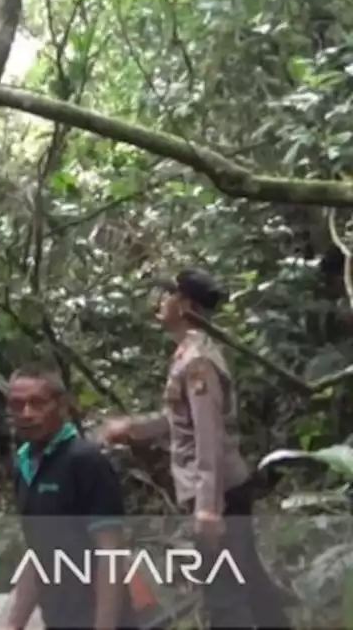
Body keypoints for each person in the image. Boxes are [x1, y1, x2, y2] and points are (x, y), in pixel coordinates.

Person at [98, 269, 291, 630]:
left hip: (220, 495)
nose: (161, 301)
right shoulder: (188, 354)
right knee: (248, 578)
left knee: (223, 595)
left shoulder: (198, 361)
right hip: (222, 492)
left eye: (168, 295)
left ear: (185, 305)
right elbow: (182, 420)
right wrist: (133, 429)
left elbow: (208, 436)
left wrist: (207, 509)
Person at [5, 365, 133, 630]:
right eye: (17, 405)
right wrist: (12, 624)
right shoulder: (24, 465)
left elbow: (110, 553)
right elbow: (37, 554)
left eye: (37, 403)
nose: (26, 413)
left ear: (61, 406)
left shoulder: (85, 462)